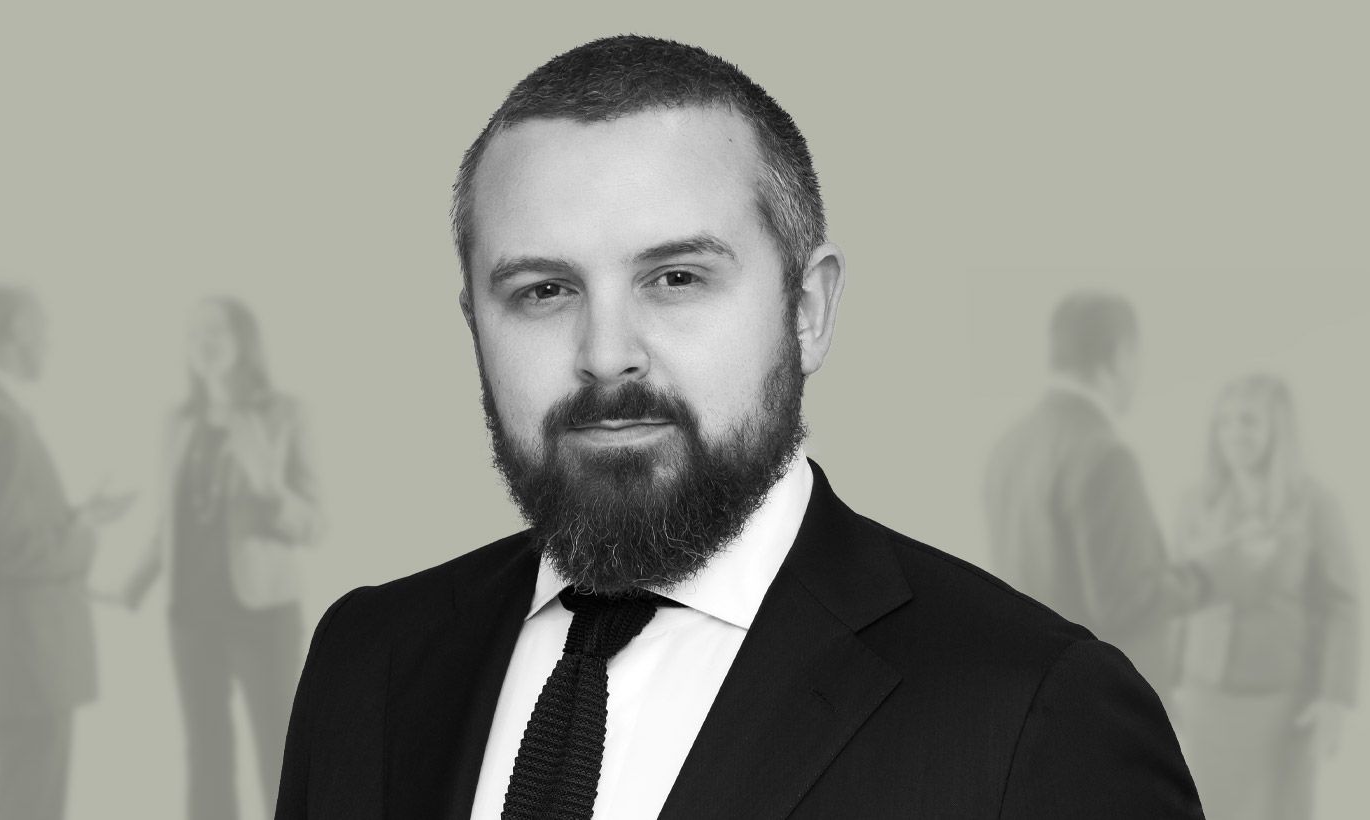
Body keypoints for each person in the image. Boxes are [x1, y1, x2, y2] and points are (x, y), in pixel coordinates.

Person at [277, 37, 1206, 818]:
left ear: (808, 309)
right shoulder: (368, 661)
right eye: (544, 290)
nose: (607, 355)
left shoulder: (1036, 712)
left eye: (676, 278)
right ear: (475, 324)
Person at [983, 290, 1268, 698]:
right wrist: (1211, 573)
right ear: (1120, 356)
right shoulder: (1105, 454)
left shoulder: (1009, 445)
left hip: (1035, 688)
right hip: (1100, 700)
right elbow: (1126, 601)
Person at [0, 282, 135, 820]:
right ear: (19, 330)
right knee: (29, 807)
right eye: (44, 328)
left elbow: (7, 531)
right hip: (25, 665)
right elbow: (8, 550)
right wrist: (84, 536)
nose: (50, 341)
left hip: (21, 664)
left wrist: (78, 515)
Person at [122, 296, 323, 820]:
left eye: (215, 331)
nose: (203, 343)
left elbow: (314, 522)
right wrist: (131, 584)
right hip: (189, 616)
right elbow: (170, 522)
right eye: (194, 334)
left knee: (278, 755)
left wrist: (269, 488)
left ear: (243, 342)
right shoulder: (177, 422)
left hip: (262, 614)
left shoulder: (283, 414)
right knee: (205, 756)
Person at [1171, 374, 1359, 819]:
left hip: (1282, 704)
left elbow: (1342, 605)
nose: (1234, 433)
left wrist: (1333, 699)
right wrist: (1160, 684)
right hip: (1205, 703)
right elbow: (1175, 602)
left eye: (1249, 421)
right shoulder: (1195, 503)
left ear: (1279, 428)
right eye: (1225, 422)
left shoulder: (1315, 505)